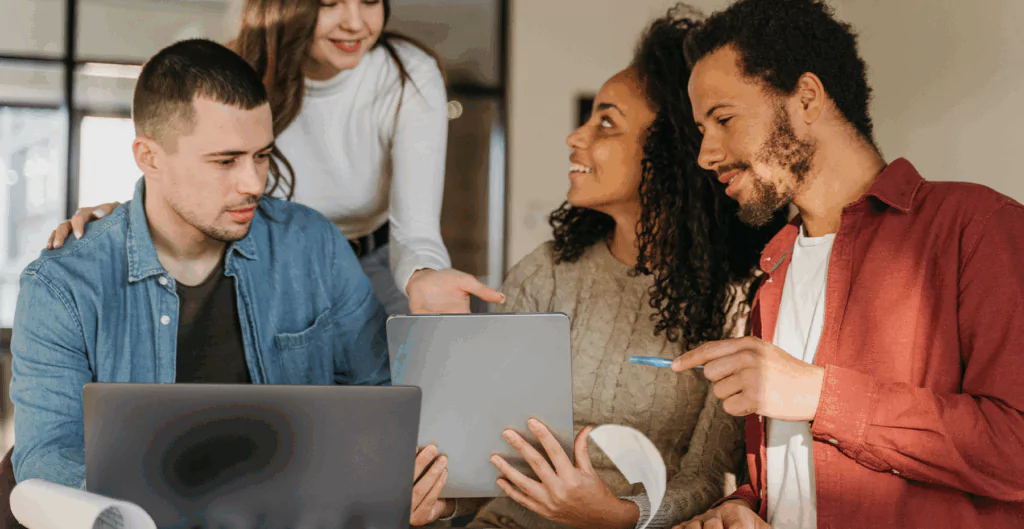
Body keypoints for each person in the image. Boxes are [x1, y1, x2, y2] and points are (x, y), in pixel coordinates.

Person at [10, 39, 451, 526]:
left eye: (261, 156)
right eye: (226, 161)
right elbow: (46, 463)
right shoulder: (63, 285)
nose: (254, 183)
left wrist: (400, 490)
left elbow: (383, 400)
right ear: (149, 157)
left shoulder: (315, 247)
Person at [672, 0, 1024, 528]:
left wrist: (817, 393)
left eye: (723, 118)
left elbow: (1015, 448)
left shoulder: (978, 226)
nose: (706, 153)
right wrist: (743, 506)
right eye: (704, 128)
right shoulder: (774, 272)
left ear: (807, 98)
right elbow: (802, 464)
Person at [452, 7, 785, 529]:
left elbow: (706, 474)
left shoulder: (739, 297)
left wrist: (620, 515)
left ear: (669, 150)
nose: (575, 137)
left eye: (606, 122)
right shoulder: (547, 272)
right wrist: (442, 502)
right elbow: (482, 440)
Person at [46, 0, 504, 315]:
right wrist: (121, 220)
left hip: (372, 262)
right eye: (329, 3)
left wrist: (423, 275)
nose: (355, 24)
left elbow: (416, 228)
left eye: (369, 1)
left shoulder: (408, 74)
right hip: (265, 262)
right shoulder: (237, 73)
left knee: (393, 396)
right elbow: (182, 174)